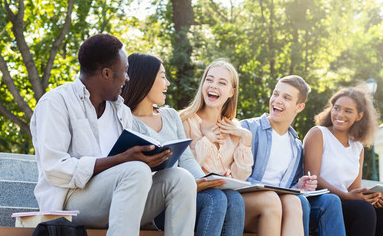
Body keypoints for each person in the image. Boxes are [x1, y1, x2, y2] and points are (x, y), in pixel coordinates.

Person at [30, 34, 197, 236]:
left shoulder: (121, 111)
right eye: (125, 71)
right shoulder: (56, 102)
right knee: (135, 170)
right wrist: (122, 160)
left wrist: (151, 160)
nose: (127, 78)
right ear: (107, 74)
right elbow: (54, 168)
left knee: (181, 178)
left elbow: (129, 171)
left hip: (119, 196)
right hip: (69, 202)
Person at [121, 53, 245, 236]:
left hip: (182, 192)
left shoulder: (170, 116)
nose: (167, 83)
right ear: (146, 80)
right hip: (151, 203)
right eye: (163, 77)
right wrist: (194, 184)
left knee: (235, 199)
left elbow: (186, 158)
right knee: (214, 199)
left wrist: (205, 180)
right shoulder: (125, 119)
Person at [179, 59, 304, 236]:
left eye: (222, 83)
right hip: (199, 196)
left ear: (231, 92)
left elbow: (240, 177)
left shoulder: (234, 128)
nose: (213, 86)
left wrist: (245, 140)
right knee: (263, 200)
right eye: (209, 80)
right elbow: (183, 164)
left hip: (227, 195)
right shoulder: (184, 121)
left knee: (281, 201)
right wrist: (207, 140)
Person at [240, 75, 346, 236]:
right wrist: (275, 192)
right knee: (275, 200)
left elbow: (287, 189)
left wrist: (298, 187)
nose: (277, 100)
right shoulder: (248, 128)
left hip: (279, 206)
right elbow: (237, 176)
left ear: (299, 107)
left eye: (286, 98)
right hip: (247, 203)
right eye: (275, 94)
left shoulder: (296, 147)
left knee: (294, 200)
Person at [303, 86, 383, 236]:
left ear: (359, 116)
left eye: (348, 111)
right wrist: (346, 196)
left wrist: (372, 198)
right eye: (336, 108)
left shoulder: (357, 147)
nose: (340, 114)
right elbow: (311, 178)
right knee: (363, 210)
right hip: (321, 202)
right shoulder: (318, 134)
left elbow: (354, 189)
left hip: (346, 203)